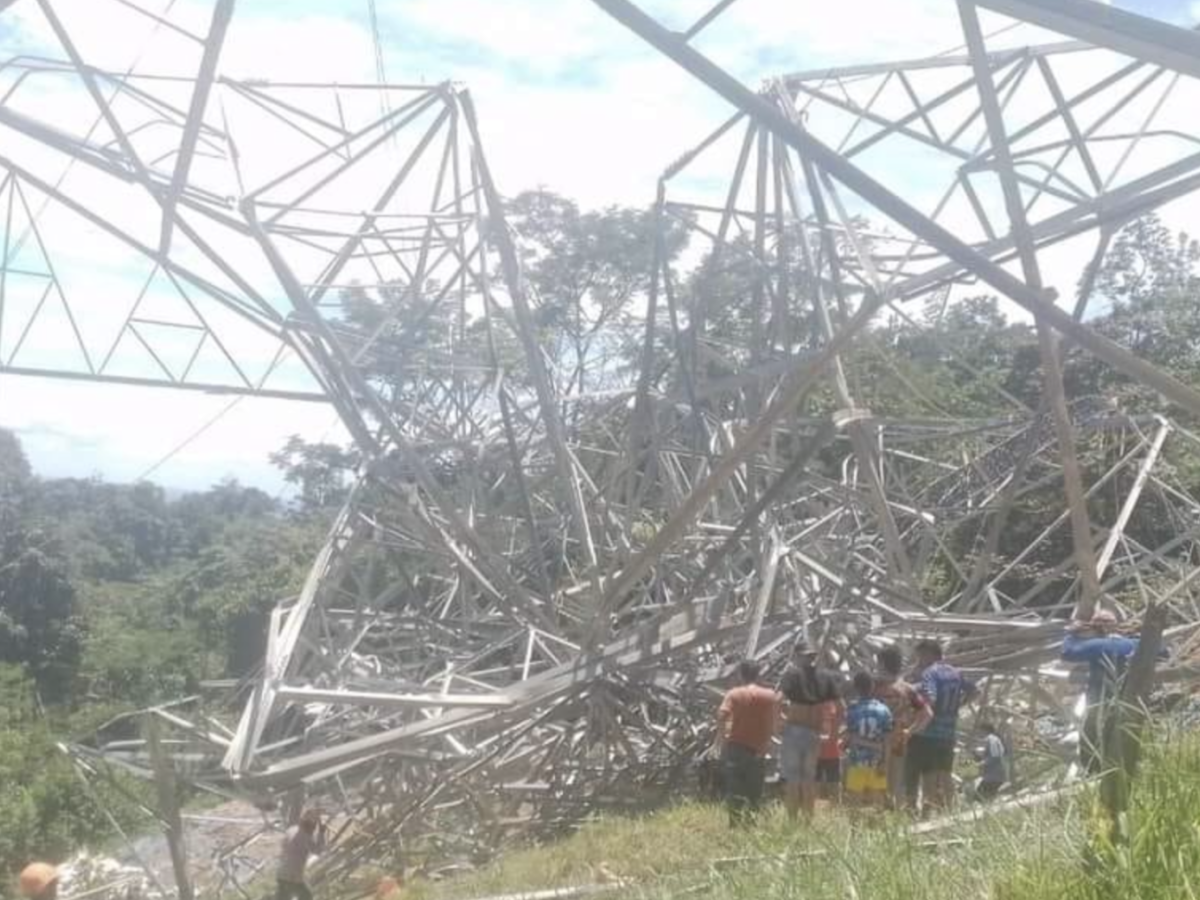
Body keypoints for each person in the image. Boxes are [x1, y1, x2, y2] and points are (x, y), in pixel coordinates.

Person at [1061, 609, 1140, 774]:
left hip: (1101, 696)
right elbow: (1161, 649)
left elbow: (1067, 653)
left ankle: (1094, 769)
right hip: (1126, 696)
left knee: (1092, 731)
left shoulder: (1097, 645)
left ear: (1097, 628)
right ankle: (1123, 766)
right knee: (1118, 729)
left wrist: (1072, 634)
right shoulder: (1129, 643)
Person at [906, 639, 975, 815]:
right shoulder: (956, 672)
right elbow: (975, 691)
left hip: (929, 732)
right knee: (945, 774)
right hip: (949, 730)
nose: (918, 661)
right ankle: (952, 813)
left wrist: (917, 714)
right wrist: (957, 706)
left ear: (929, 654)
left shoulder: (930, 673)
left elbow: (931, 699)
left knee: (928, 774)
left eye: (920, 656)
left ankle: (927, 813)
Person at [778, 638, 842, 820]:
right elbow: (841, 708)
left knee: (793, 779)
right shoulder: (826, 677)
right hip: (814, 733)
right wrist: (833, 734)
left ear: (798, 657)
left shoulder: (792, 675)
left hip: (794, 731)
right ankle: (808, 821)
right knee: (808, 779)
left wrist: (778, 724)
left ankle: (792, 821)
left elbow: (777, 701)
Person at [715, 659, 779, 825]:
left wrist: (723, 740)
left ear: (741, 675)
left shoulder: (734, 694)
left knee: (735, 786)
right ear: (758, 674)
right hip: (758, 749)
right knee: (755, 788)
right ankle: (751, 823)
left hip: (736, 746)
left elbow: (721, 715)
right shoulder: (769, 695)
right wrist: (767, 742)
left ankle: (735, 823)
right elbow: (773, 724)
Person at [874, 646, 932, 808]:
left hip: (877, 740)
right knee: (897, 780)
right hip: (900, 738)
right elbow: (927, 713)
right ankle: (896, 815)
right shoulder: (908, 689)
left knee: (878, 778)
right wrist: (911, 731)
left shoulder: (875, 688)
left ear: (882, 664)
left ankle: (882, 814)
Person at [844, 671, 893, 809]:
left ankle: (855, 829)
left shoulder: (852, 709)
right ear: (872, 686)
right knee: (878, 800)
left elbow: (851, 736)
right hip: (877, 761)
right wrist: (885, 762)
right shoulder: (884, 710)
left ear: (855, 688)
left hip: (856, 761)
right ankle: (877, 829)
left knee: (855, 800)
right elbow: (887, 740)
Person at [277, 808, 327, 900]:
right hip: (293, 877)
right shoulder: (305, 837)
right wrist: (322, 832)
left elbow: (283, 845)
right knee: (307, 897)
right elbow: (319, 850)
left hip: (281, 873)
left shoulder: (292, 830)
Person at [815, 698, 844, 803]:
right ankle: (813, 811)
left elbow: (843, 711)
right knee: (814, 783)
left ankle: (836, 810)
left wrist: (836, 736)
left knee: (834, 783)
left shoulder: (834, 704)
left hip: (833, 752)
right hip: (815, 753)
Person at [974, 720, 1007, 802]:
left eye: (980, 731)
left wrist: (981, 763)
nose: (979, 733)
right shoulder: (994, 739)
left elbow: (995, 756)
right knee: (986, 797)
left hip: (994, 776)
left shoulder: (991, 739)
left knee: (979, 797)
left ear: (984, 730)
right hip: (993, 775)